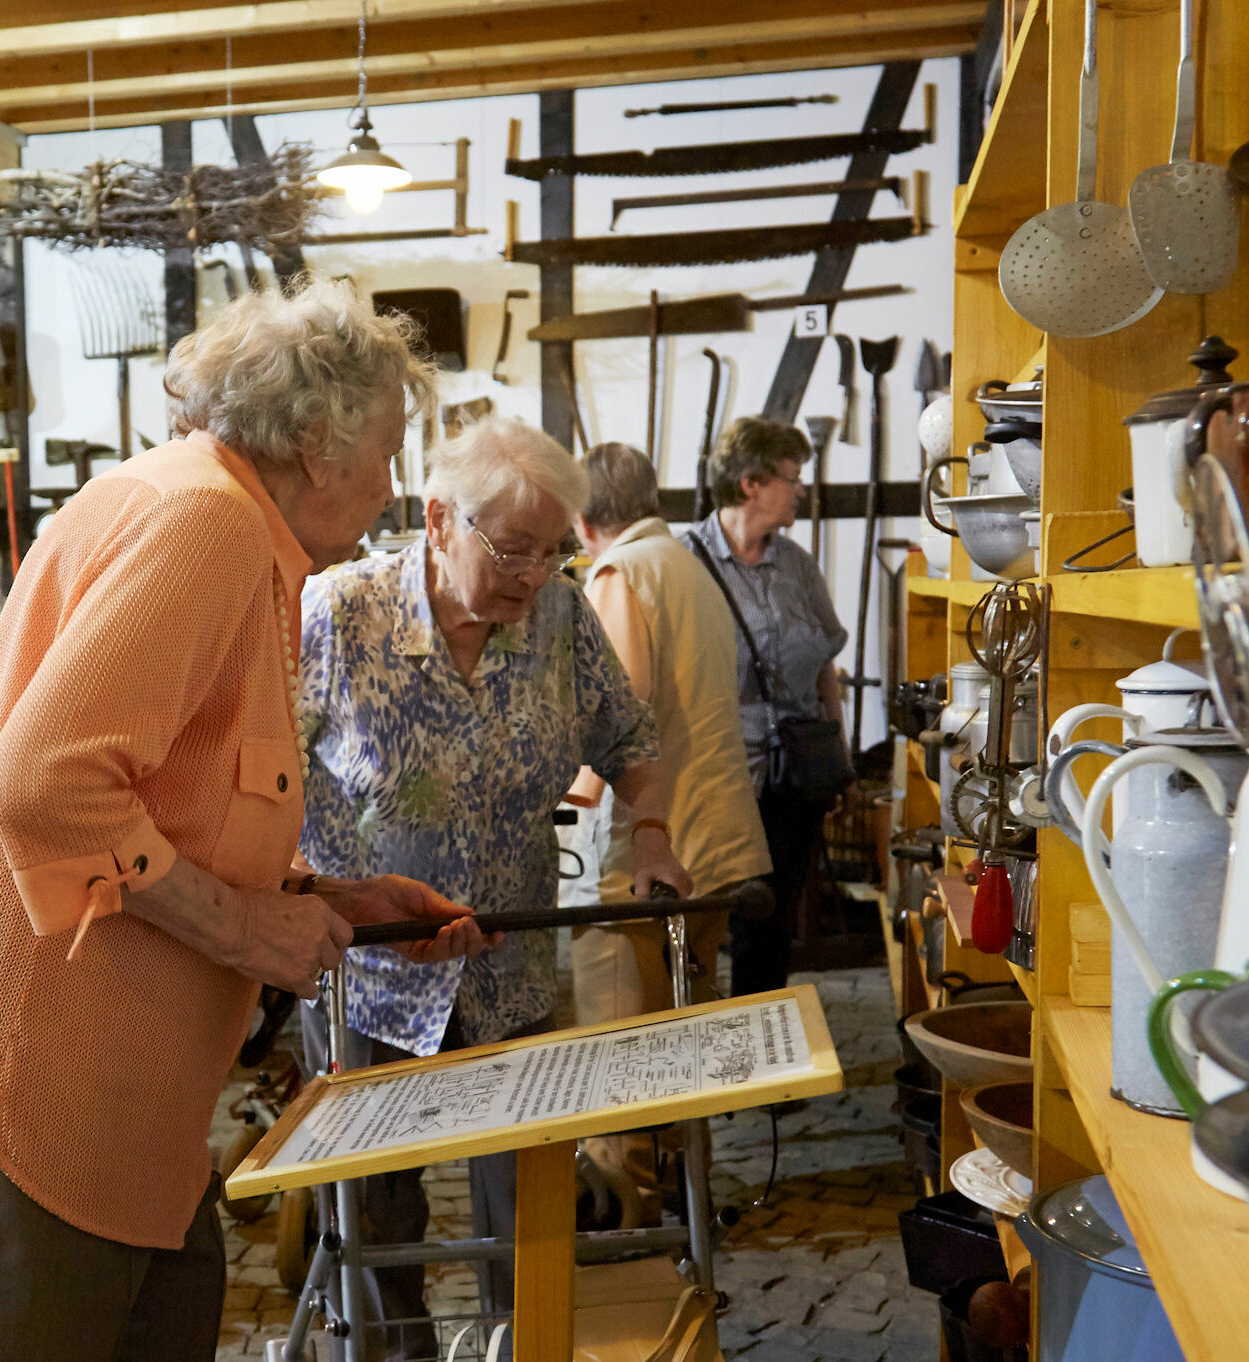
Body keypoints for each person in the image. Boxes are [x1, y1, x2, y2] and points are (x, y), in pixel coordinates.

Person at [0, 282, 486, 1362]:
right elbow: (45, 782)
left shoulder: (216, 516)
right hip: (19, 1043)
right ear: (317, 443)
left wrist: (316, 902)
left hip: (101, 1057)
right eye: (388, 452)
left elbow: (171, 790)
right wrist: (246, 932)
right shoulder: (207, 520)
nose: (391, 487)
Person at [297, 416, 695, 1357]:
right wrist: (305, 892)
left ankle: (525, 1345)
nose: (532, 572)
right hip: (372, 981)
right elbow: (253, 770)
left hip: (511, 968)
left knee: (527, 1209)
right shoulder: (338, 614)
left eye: (553, 549)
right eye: (513, 549)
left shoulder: (557, 617)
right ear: (437, 519)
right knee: (374, 1223)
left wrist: (651, 833)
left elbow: (631, 740)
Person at [562, 441, 773, 1222]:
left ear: (584, 522)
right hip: (716, 839)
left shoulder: (622, 573)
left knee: (625, 1056)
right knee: (681, 1047)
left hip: (650, 853)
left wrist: (565, 793)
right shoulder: (687, 564)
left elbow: (616, 716)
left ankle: (633, 1234)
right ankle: (686, 1206)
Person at [682, 416, 850, 999]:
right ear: (751, 483)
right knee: (706, 918)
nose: (801, 489)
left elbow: (825, 661)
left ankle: (761, 1058)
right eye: (791, 477)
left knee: (770, 923)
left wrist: (840, 746)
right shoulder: (684, 562)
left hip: (794, 773)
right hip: (716, 775)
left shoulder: (797, 565)